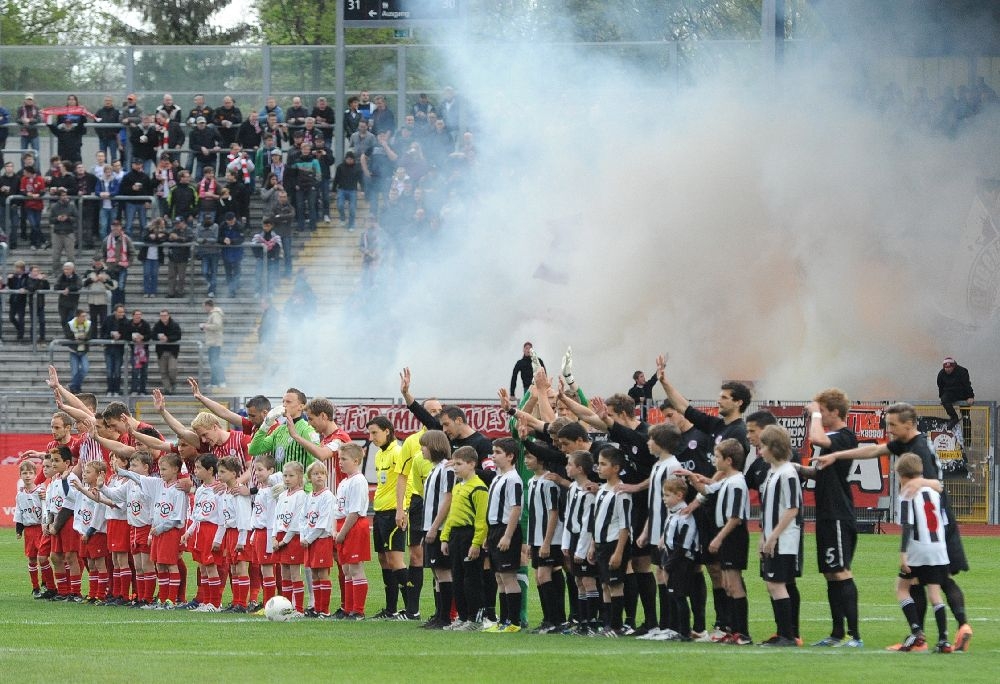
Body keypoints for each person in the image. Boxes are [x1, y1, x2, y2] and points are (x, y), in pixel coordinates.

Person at [813, 402, 973, 653]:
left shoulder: (917, 449)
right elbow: (874, 452)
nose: (889, 429)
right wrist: (836, 455)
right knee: (933, 580)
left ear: (909, 425)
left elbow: (933, 484)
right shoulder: (908, 443)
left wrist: (908, 543)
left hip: (929, 526)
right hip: (936, 524)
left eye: (893, 425)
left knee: (921, 581)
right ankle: (955, 628)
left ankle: (922, 636)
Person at [792, 389, 863, 648]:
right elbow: (820, 472)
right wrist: (799, 469)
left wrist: (815, 414)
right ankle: (836, 633)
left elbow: (816, 437)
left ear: (833, 412)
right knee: (831, 574)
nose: (817, 413)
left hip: (838, 514)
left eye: (823, 409)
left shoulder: (844, 436)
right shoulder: (831, 437)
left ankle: (854, 635)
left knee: (841, 572)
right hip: (825, 513)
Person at [682, 438, 752, 645]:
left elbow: (736, 517)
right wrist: (692, 479)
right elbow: (707, 491)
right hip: (726, 534)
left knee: (734, 584)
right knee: (728, 585)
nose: (714, 460)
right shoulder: (727, 481)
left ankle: (743, 633)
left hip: (733, 535)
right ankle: (733, 630)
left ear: (729, 460)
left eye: (718, 457)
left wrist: (718, 538)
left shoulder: (737, 482)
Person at [893, 453, 953, 653]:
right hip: (938, 548)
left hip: (918, 548)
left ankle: (916, 631)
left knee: (902, 588)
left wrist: (903, 554)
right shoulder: (934, 492)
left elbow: (908, 524)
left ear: (902, 475)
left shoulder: (906, 493)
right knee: (935, 594)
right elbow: (944, 521)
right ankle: (944, 639)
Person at [757, 425, 802, 647]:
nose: (759, 451)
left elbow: (792, 508)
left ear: (774, 447)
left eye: (762, 446)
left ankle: (788, 635)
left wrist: (773, 536)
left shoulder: (788, 472)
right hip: (773, 537)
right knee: (772, 584)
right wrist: (763, 536)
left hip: (784, 539)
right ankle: (783, 633)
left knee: (776, 584)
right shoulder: (772, 472)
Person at [363, 415, 410, 619]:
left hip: (394, 512)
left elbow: (405, 482)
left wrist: (402, 510)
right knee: (383, 559)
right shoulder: (379, 454)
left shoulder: (398, 452)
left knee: (395, 560)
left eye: (375, 432)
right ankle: (391, 609)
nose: (372, 437)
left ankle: (411, 609)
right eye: (370, 433)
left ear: (387, 431)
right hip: (381, 512)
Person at [440, 446, 489, 631]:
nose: (455, 467)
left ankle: (475, 619)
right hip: (455, 536)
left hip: (469, 535)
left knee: (472, 580)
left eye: (459, 464)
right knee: (458, 578)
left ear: (472, 464)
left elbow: (481, 519)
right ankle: (462, 617)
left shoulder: (478, 488)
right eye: (454, 463)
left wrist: (477, 543)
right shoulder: (459, 486)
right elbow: (452, 515)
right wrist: (445, 537)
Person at [588, 446, 632, 636]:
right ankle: (608, 625)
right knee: (605, 584)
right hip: (601, 545)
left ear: (616, 468)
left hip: (614, 544)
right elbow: (597, 519)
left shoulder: (621, 492)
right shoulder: (603, 489)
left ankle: (616, 625)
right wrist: (592, 544)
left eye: (603, 464)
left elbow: (625, 525)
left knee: (615, 585)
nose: (599, 467)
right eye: (598, 463)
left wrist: (619, 551)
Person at [482, 438, 524, 633]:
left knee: (508, 576)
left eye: (498, 452)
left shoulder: (513, 479)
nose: (493, 456)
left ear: (510, 456)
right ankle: (504, 620)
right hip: (495, 530)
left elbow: (516, 508)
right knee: (499, 576)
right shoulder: (499, 477)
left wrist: (507, 536)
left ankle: (514, 621)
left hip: (507, 529)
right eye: (493, 451)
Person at [524, 445, 566, 633]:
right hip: (537, 538)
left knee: (543, 575)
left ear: (541, 459)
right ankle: (550, 618)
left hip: (550, 538)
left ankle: (555, 620)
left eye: (530, 457)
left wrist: (547, 542)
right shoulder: (532, 481)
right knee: (541, 577)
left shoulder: (548, 482)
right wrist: (531, 541)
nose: (526, 460)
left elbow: (553, 512)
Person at [417, 430, 455, 629]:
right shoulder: (433, 470)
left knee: (443, 572)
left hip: (439, 528)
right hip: (430, 528)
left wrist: (434, 528)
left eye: (424, 445)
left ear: (435, 446)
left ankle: (446, 617)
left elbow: (447, 499)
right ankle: (439, 614)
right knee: (436, 573)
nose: (422, 449)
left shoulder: (446, 470)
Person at [335, 443, 372, 620]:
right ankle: (349, 608)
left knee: (356, 568)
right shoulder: (344, 481)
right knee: (347, 569)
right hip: (343, 525)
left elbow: (355, 511)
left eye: (344, 459)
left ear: (356, 460)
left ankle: (358, 610)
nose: (340, 462)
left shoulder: (358, 481)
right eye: (339, 458)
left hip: (354, 526)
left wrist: (342, 533)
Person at [661, 477, 698, 641]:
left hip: (682, 561)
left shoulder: (685, 515)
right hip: (673, 558)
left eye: (667, 495)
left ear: (679, 496)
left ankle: (684, 631)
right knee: (673, 595)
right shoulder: (673, 513)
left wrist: (669, 565)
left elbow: (683, 544)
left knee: (679, 595)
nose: (664, 499)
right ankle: (675, 628)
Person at [217, 456, 254, 613]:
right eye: (218, 471)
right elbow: (223, 517)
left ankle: (242, 603)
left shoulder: (239, 491)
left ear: (233, 473)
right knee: (233, 568)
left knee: (241, 567)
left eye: (223, 472)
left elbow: (244, 517)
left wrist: (242, 539)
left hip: (240, 533)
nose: (219, 475)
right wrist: (219, 539)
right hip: (230, 533)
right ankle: (235, 601)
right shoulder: (225, 492)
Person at [300, 461, 335, 618]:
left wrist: (308, 538)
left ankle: (324, 610)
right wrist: (303, 537)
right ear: (309, 478)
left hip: (321, 540)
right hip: (309, 540)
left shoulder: (328, 496)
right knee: (314, 574)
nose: (319, 476)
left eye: (322, 473)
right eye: (315, 474)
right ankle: (316, 607)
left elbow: (323, 523)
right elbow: (302, 519)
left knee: (322, 573)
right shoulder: (309, 497)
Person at [272, 461, 307, 614]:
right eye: (285, 475)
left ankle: (298, 608)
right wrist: (274, 537)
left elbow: (296, 522)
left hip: (292, 539)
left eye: (291, 476)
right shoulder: (282, 495)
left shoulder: (301, 496)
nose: (287, 479)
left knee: (294, 573)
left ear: (300, 477)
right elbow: (276, 518)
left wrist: (284, 541)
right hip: (280, 538)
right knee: (284, 572)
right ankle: (286, 607)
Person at [15, 461, 49, 597]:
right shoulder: (20, 495)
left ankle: (46, 584)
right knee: (32, 560)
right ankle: (35, 587)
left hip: (41, 529)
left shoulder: (41, 492)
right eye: (24, 473)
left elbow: (46, 509)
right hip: (29, 531)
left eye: (30, 473)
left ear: (35, 475)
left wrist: (46, 524)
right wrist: (19, 530)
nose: (27, 476)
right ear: (20, 475)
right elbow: (19, 512)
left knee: (43, 558)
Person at [937, 357, 974, 432]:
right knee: (944, 399)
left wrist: (970, 396)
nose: (948, 369)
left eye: (950, 367)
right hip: (950, 393)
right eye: (946, 368)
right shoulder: (941, 374)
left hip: (963, 394)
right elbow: (940, 386)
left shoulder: (962, 371)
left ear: (954, 366)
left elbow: (967, 384)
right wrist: (941, 397)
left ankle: (967, 442)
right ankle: (954, 417)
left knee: (966, 417)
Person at [82, 258, 116, 337]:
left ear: (102, 263)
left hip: (104, 300)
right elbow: (83, 284)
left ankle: (103, 338)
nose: (97, 264)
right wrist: (91, 280)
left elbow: (114, 285)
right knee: (92, 320)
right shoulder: (89, 272)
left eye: (99, 262)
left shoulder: (108, 272)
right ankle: (93, 337)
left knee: (103, 321)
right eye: (96, 263)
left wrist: (104, 280)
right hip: (92, 300)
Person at [151, 309, 182, 394]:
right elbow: (152, 335)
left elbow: (178, 335)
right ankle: (168, 389)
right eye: (161, 316)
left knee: (172, 369)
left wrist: (168, 339)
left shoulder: (174, 325)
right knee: (163, 372)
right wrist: (159, 338)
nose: (163, 317)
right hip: (161, 351)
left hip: (172, 351)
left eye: (165, 315)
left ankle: (173, 383)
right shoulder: (157, 325)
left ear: (168, 316)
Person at [102, 304, 129, 396]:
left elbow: (128, 335)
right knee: (109, 370)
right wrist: (111, 335)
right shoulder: (108, 319)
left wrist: (120, 336)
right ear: (115, 312)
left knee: (117, 370)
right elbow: (103, 333)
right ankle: (110, 390)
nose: (122, 314)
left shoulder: (126, 321)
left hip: (119, 349)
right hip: (109, 348)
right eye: (120, 312)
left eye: (123, 312)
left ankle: (117, 390)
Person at [49, 191, 78, 274]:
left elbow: (76, 218)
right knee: (56, 255)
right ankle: (56, 272)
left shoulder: (71, 206)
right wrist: (57, 219)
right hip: (57, 233)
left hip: (69, 233)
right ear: (59, 197)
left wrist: (68, 218)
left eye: (65, 195)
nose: (65, 197)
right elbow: (50, 220)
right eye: (62, 195)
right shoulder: (54, 207)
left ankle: (72, 273)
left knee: (70, 256)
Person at [199, 299, 225, 389]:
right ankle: (214, 382)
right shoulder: (213, 314)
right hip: (213, 342)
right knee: (213, 363)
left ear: (208, 306)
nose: (204, 309)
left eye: (204, 307)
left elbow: (217, 326)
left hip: (215, 343)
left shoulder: (215, 314)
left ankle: (221, 381)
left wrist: (205, 326)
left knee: (215, 363)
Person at [333, 152, 363, 231]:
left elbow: (361, 180)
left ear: (353, 159)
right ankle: (342, 218)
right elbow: (336, 179)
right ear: (345, 159)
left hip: (352, 190)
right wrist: (333, 189)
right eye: (348, 159)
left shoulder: (357, 168)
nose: (349, 161)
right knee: (340, 205)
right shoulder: (340, 167)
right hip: (342, 190)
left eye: (351, 159)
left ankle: (351, 225)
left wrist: (363, 190)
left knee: (352, 208)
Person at [65, 309, 92, 394]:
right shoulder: (70, 324)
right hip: (74, 351)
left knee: (85, 368)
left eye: (85, 316)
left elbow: (90, 335)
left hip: (84, 350)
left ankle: (72, 386)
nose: (85, 318)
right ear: (77, 317)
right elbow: (68, 335)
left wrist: (81, 337)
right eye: (82, 316)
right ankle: (76, 389)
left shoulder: (88, 323)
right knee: (74, 372)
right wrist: (79, 337)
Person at [126, 309, 152, 395]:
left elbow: (150, 335)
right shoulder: (128, 324)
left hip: (144, 351)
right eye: (136, 315)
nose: (138, 316)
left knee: (144, 371)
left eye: (140, 314)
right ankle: (134, 389)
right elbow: (125, 334)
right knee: (135, 371)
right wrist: (132, 338)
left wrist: (143, 337)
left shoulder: (145, 324)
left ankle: (142, 390)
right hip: (134, 351)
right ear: (133, 316)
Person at [7, 260, 29, 342]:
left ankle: (20, 335)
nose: (16, 269)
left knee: (21, 318)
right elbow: (11, 287)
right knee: (11, 317)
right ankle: (20, 329)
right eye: (16, 268)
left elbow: (27, 285)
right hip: (13, 300)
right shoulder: (14, 276)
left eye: (18, 268)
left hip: (21, 301)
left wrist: (25, 288)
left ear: (22, 268)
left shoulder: (26, 276)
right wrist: (10, 279)